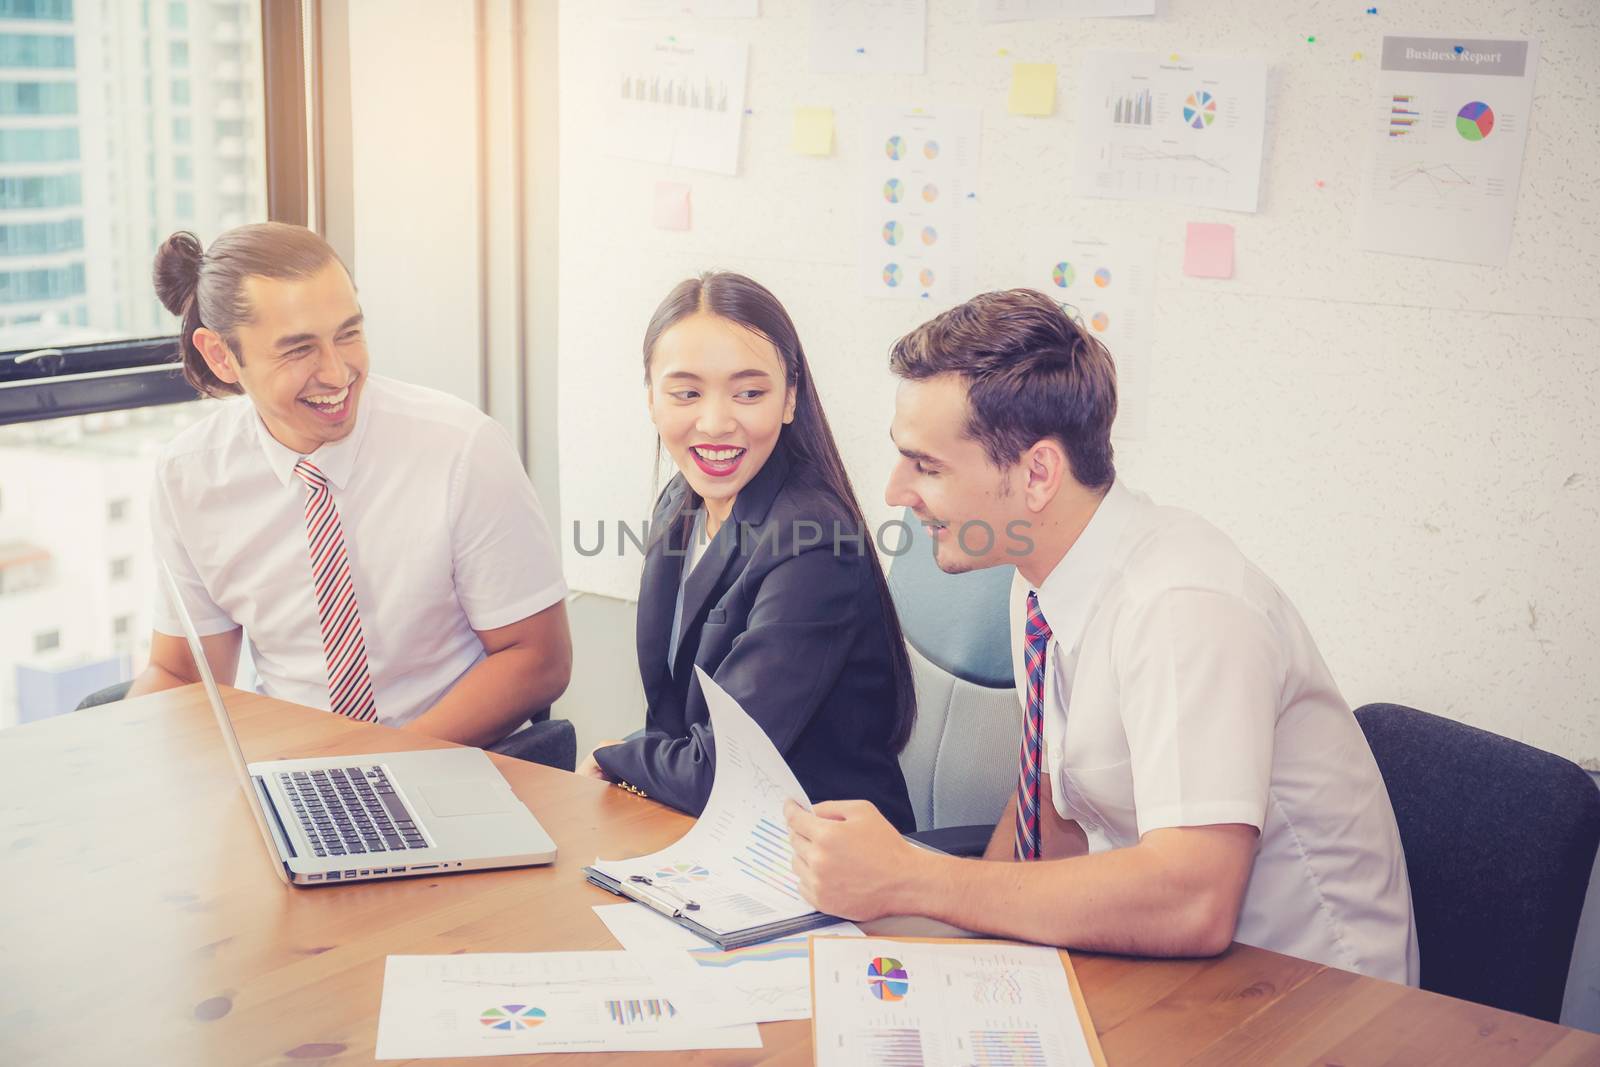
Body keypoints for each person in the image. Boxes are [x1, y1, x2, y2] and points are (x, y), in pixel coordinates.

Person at [785, 288, 1418, 983]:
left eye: (926, 465)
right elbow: (1052, 815)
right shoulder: (1040, 577)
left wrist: (917, 878)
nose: (895, 490)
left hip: (1313, 1001)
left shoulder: (1181, 608)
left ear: (1036, 474)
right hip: (1174, 973)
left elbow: (1195, 900)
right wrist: (950, 952)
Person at [127, 223, 571, 747]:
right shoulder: (190, 476)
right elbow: (183, 676)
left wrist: (375, 766)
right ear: (222, 355)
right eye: (298, 350)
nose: (338, 373)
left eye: (348, 334)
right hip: (288, 766)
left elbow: (538, 660)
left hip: (451, 757)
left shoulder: (461, 447)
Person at [577, 271, 917, 832]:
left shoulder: (814, 544)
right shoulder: (680, 503)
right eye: (686, 392)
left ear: (789, 400)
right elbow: (674, 722)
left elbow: (722, 769)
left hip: (822, 859)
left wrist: (615, 756)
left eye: (749, 393)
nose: (715, 422)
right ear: (651, 400)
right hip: (708, 831)